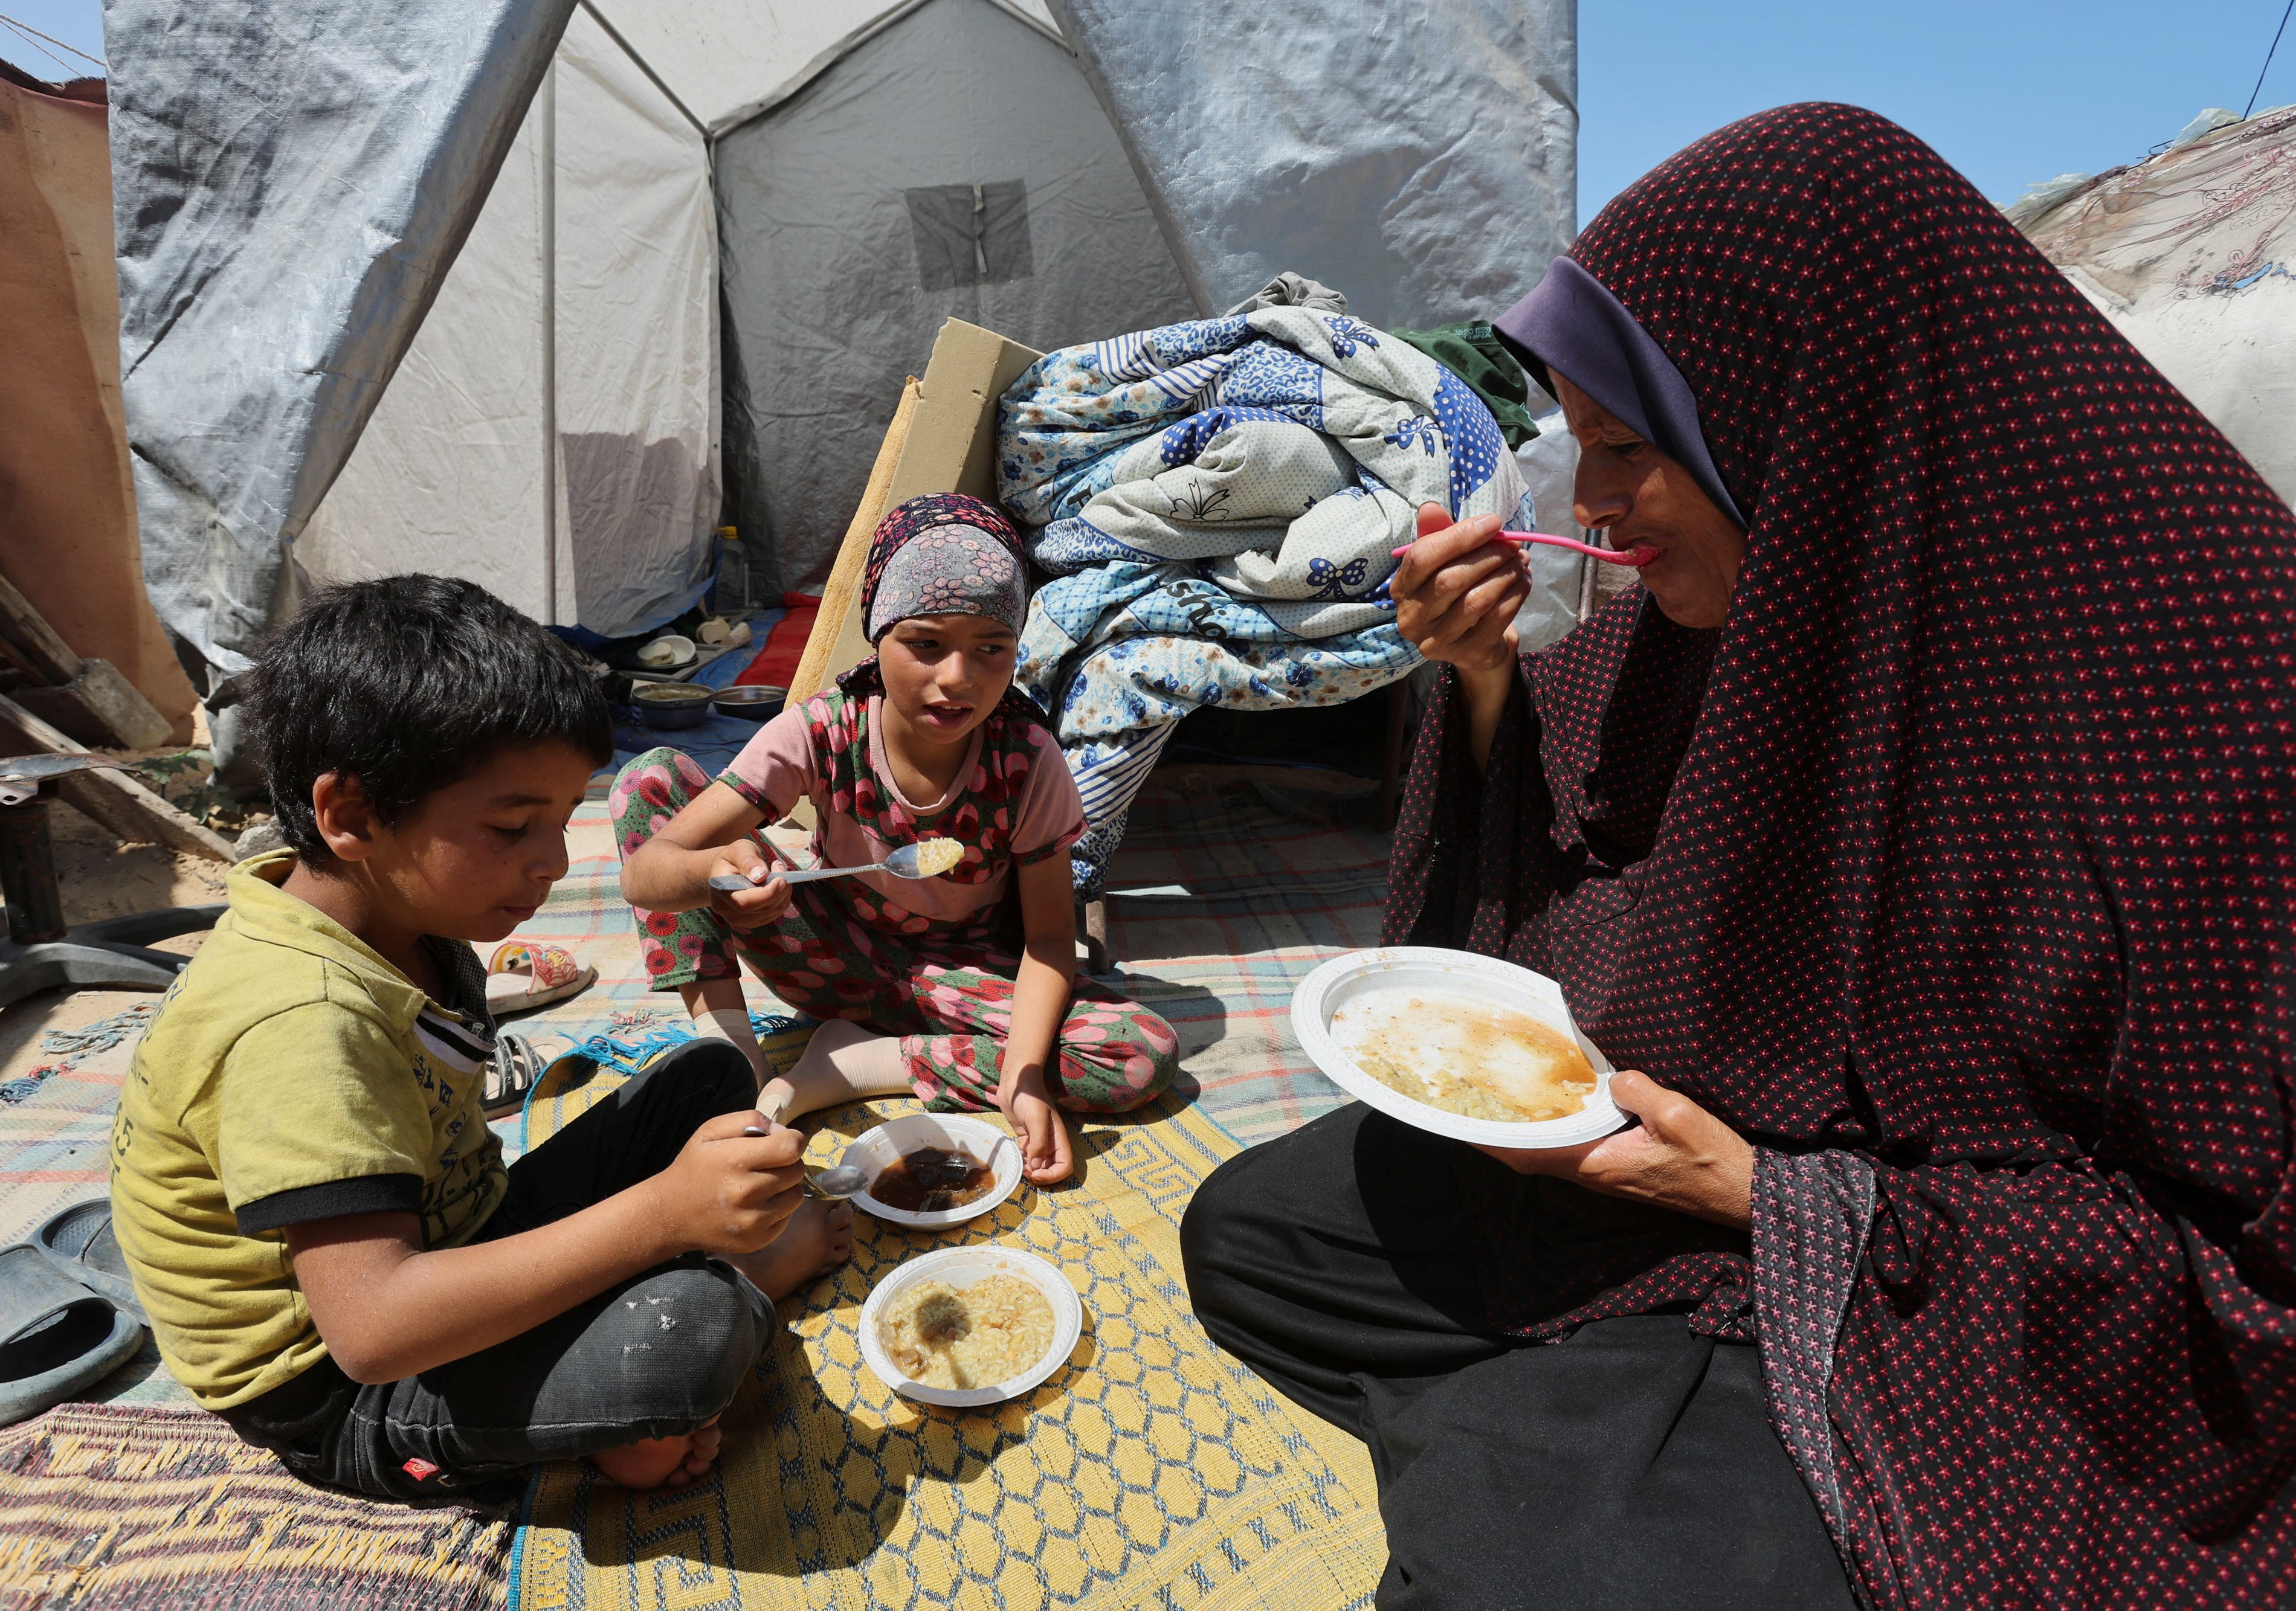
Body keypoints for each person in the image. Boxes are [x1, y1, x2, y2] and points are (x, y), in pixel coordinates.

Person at [1181, 103, 2296, 1609]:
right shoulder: (1789, 588)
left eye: (1628, 447)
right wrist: (1492, 674)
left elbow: (2245, 1296)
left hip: (1936, 1315)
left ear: (1808, 406)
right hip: (1665, 1174)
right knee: (1251, 1240)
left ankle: (1559, 1451)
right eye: (1578, 450)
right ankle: (1558, 1441)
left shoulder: (2215, 709)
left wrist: (1781, 1207)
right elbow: (1592, 830)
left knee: (1506, 1565)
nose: (1588, 509)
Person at [109, 575, 854, 1504]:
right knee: (690, 1335)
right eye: (513, 826)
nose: (553, 861)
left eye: (560, 817)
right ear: (350, 815)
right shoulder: (298, 1023)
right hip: (343, 1388)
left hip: (452, 1225)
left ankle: (658, 1295)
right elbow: (373, 1328)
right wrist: (663, 1217)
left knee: (707, 1077)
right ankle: (669, 1351)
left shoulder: (394, 917)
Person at [611, 493, 1178, 1185]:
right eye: (925, 644)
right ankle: (735, 1058)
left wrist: (1024, 1077)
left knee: (1136, 1054)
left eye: (991, 649)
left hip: (959, 982)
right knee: (650, 778)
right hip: (830, 957)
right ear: (877, 638)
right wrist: (717, 873)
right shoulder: (820, 732)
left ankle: (854, 1065)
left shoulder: (1028, 760)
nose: (956, 679)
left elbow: (1049, 942)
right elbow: (648, 875)